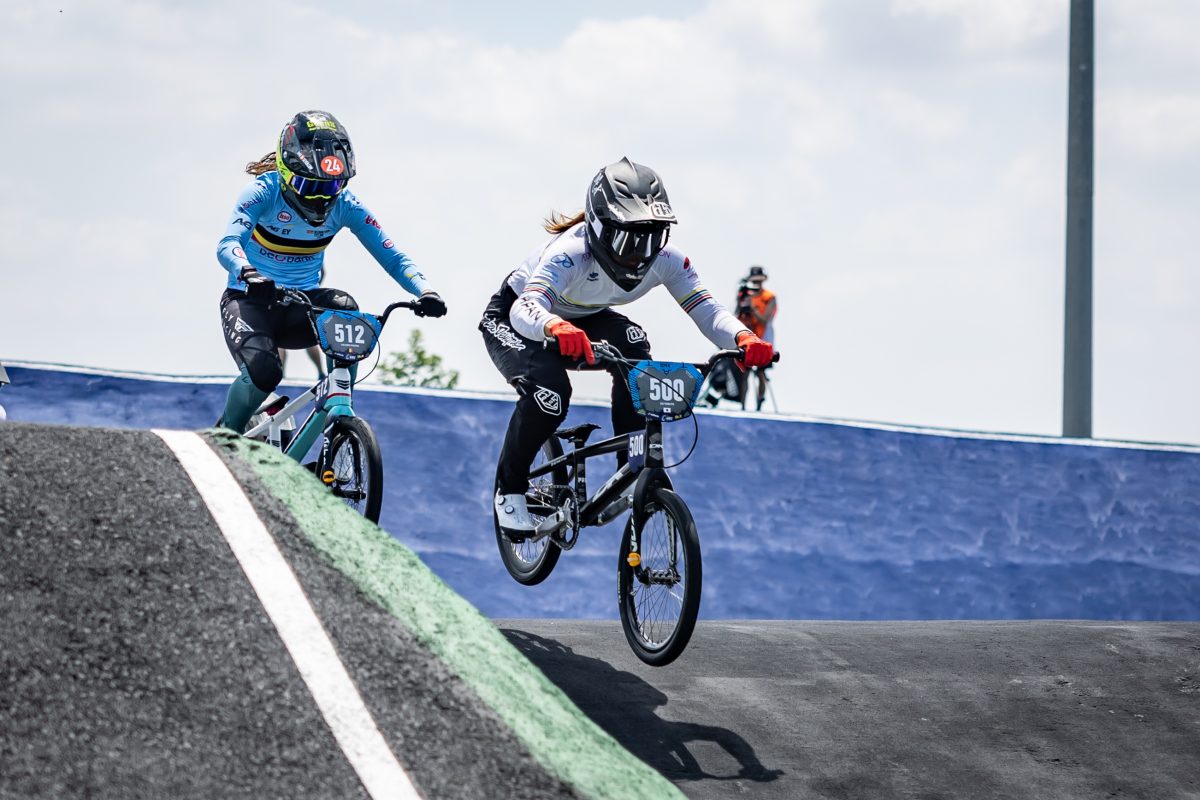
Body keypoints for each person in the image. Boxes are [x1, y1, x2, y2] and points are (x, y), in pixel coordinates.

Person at [480, 157, 774, 534]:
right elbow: (526, 307)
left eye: (651, 239)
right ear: (599, 229)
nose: (639, 254)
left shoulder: (668, 260)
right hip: (517, 319)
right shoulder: (570, 253)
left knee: (635, 347)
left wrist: (744, 337)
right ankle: (509, 492)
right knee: (549, 395)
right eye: (628, 240)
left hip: (581, 317)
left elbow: (707, 309)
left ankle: (630, 468)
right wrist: (554, 325)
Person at [215, 110, 446, 433]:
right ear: (286, 173)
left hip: (300, 307)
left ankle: (338, 414)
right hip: (249, 301)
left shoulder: (346, 204)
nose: (322, 198)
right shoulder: (263, 192)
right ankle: (225, 435)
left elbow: (392, 256)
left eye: (333, 185)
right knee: (265, 374)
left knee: (346, 309)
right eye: (310, 186)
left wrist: (425, 290)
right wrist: (248, 272)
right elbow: (228, 244)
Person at [734, 265, 777, 410]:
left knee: (761, 372)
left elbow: (764, 320)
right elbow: (736, 317)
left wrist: (751, 307)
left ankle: (759, 405)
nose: (756, 284)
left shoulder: (769, 297)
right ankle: (743, 407)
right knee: (745, 373)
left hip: (764, 339)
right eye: (754, 281)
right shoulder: (745, 296)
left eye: (759, 281)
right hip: (747, 339)